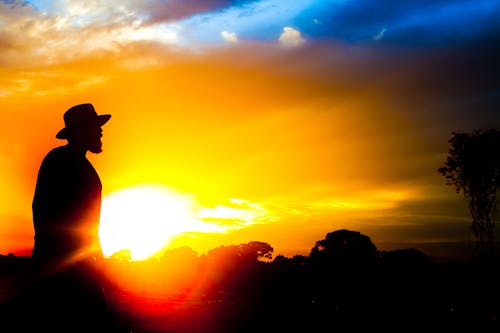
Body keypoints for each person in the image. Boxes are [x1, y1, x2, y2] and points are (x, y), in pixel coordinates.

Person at [27, 103, 113, 331]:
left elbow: (89, 224)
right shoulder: (59, 161)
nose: (101, 131)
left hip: (78, 268)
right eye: (96, 126)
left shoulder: (83, 166)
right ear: (81, 131)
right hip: (63, 272)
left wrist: (97, 258)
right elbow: (44, 212)